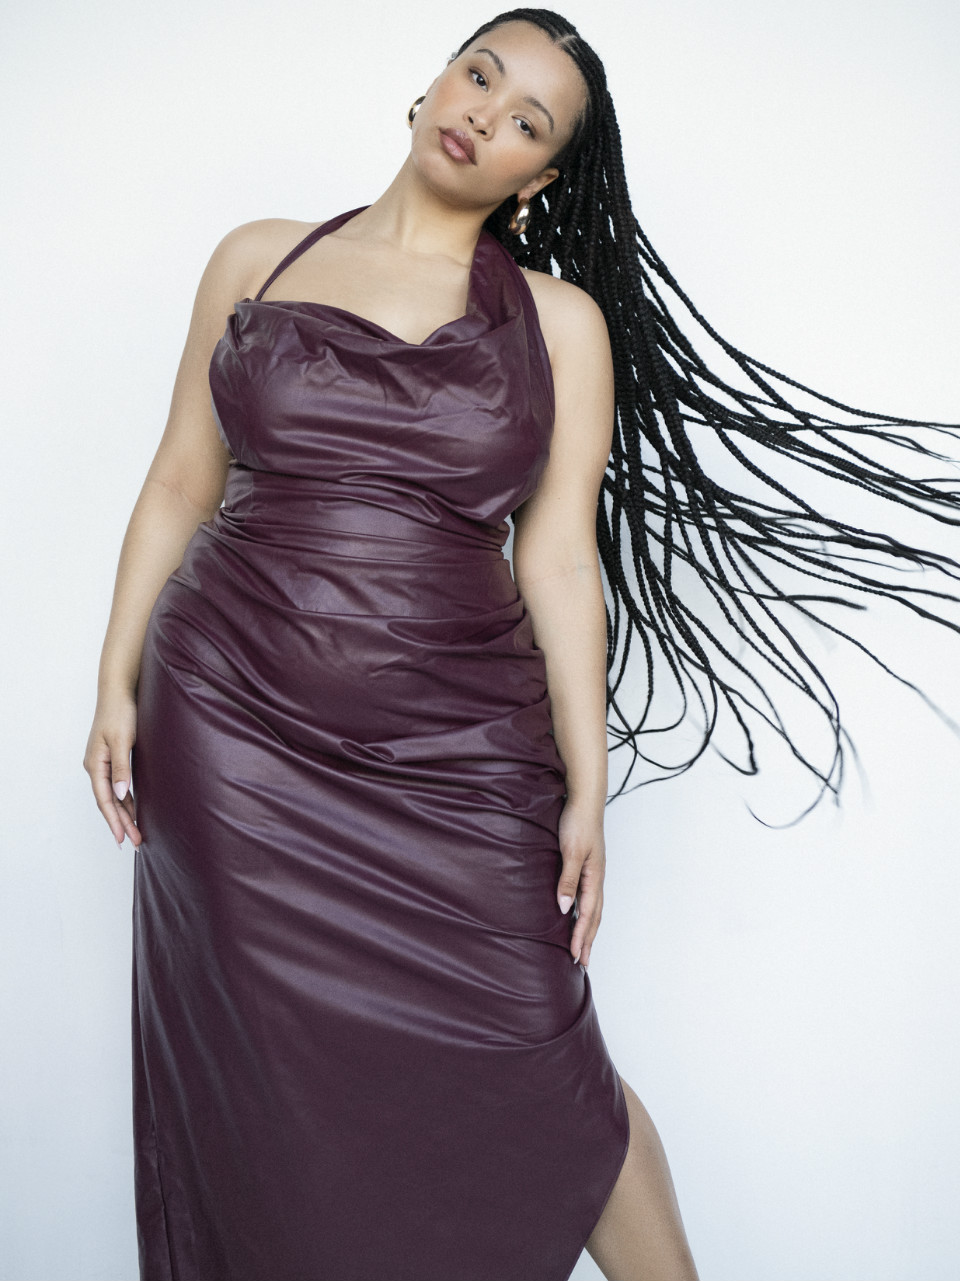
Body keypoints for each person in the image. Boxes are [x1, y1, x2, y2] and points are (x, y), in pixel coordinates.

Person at [83, 8, 958, 1280]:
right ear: (434, 81)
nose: (484, 113)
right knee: (269, 1082)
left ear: (538, 178)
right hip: (233, 735)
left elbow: (557, 562)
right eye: (480, 75)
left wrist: (587, 790)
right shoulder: (258, 258)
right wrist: (113, 683)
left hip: (460, 752)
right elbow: (179, 479)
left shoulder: (560, 324)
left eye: (526, 120)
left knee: (545, 1047)